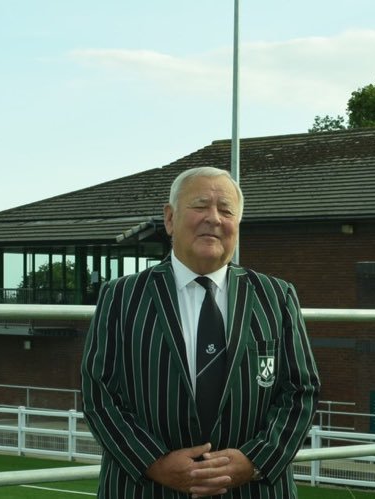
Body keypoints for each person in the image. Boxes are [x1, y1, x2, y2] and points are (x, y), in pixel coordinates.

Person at [81, 166, 321, 498]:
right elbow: (99, 393)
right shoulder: (121, 296)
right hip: (147, 489)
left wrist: (254, 461)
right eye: (200, 205)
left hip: (253, 490)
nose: (214, 218)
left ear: (237, 225)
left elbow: (300, 392)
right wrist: (155, 463)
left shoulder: (276, 297)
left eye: (226, 210)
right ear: (169, 218)